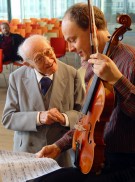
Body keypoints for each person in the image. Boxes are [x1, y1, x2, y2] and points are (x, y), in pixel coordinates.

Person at [29, 3, 135, 182]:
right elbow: (87, 121)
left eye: (73, 39)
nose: (69, 48)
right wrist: (58, 145)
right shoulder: (90, 65)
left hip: (124, 163)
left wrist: (117, 79)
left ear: (92, 30)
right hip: (94, 157)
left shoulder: (130, 61)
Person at [2, 34, 85, 167]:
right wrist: (38, 117)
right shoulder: (16, 78)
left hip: (61, 151)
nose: (48, 61)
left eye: (48, 52)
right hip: (28, 152)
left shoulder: (71, 73)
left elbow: (84, 114)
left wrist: (65, 118)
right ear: (28, 64)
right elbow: (8, 118)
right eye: (39, 59)